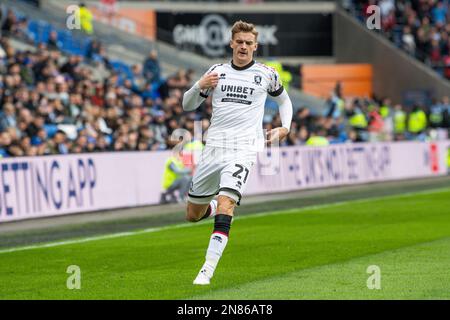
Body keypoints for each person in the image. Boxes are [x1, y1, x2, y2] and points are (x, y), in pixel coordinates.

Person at [182, 20, 293, 285]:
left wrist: (285, 127)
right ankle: (211, 205)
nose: (243, 47)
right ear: (232, 43)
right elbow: (188, 106)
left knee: (226, 203)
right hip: (213, 149)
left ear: (255, 46)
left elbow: (284, 100)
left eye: (248, 43)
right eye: (239, 42)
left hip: (243, 149)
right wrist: (199, 85)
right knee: (192, 215)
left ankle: (207, 269)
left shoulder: (267, 74)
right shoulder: (217, 71)